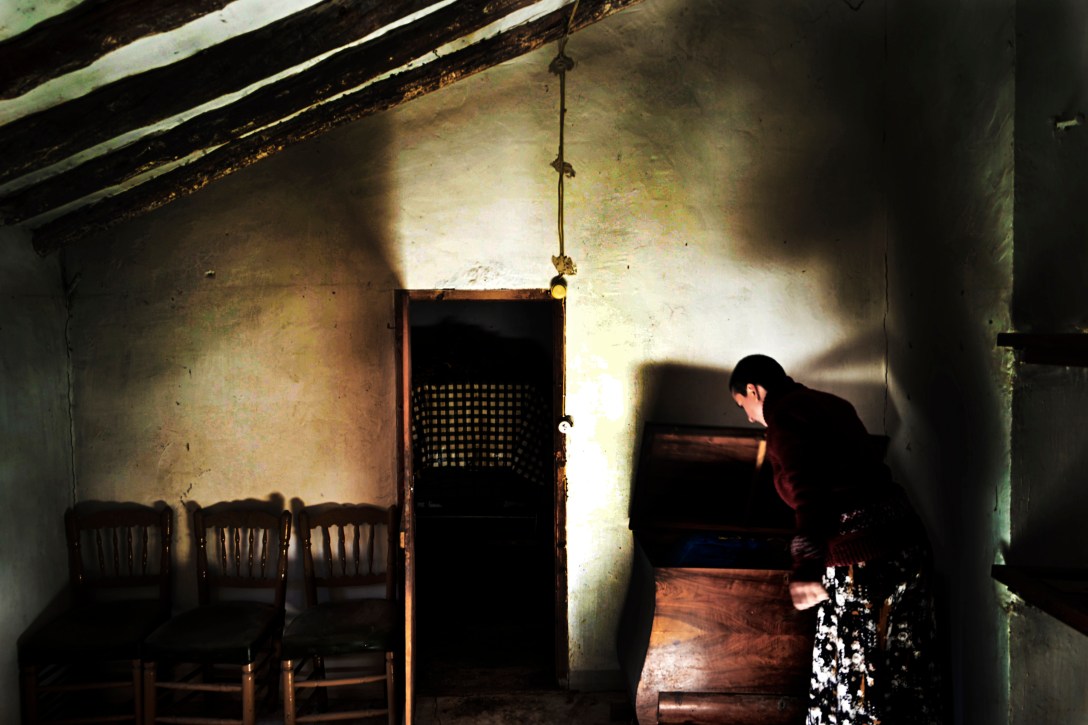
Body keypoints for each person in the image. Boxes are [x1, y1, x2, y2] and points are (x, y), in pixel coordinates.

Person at [729, 354, 945, 725]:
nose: (749, 417)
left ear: (754, 390)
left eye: (742, 405)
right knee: (907, 668)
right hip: (907, 545)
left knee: (859, 677)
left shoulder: (783, 419)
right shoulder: (830, 403)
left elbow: (810, 497)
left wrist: (805, 568)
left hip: (862, 562)